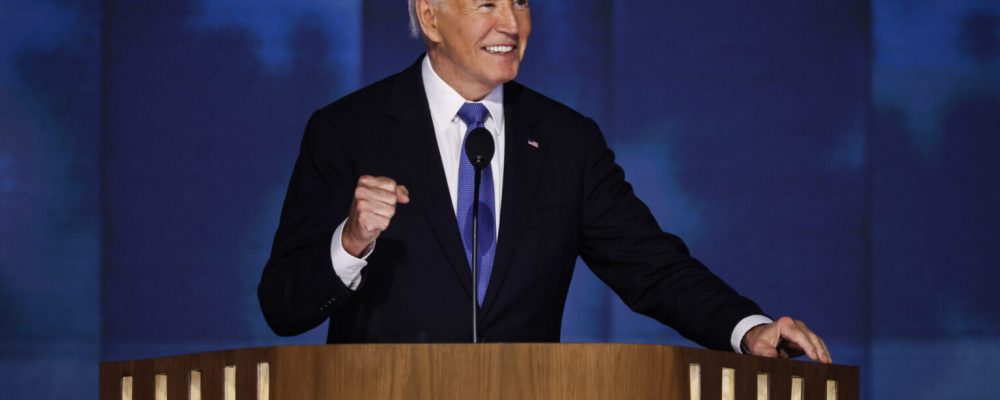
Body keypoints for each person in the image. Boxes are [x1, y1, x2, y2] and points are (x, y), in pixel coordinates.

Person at [258, 0, 832, 363]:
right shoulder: (346, 131)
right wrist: (351, 242)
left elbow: (652, 267)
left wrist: (747, 329)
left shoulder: (566, 141)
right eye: (487, 3)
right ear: (429, 16)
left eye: (521, 1)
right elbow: (283, 305)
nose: (511, 23)